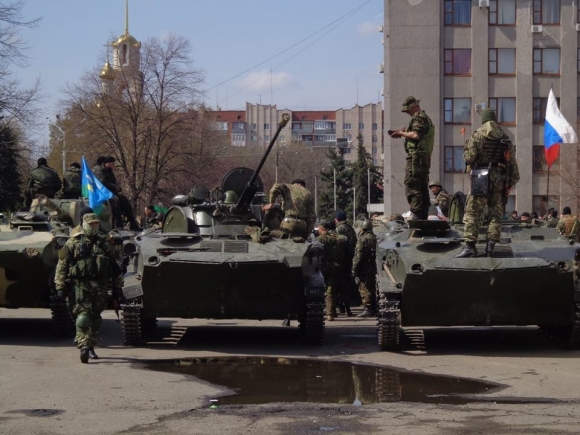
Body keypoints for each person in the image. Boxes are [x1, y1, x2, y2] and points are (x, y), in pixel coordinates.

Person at [54, 213, 124, 363]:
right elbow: (62, 266)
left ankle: (90, 344)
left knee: (95, 318)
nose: (94, 227)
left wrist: (118, 286)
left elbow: (115, 264)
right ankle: (84, 346)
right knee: (83, 316)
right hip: (81, 286)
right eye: (91, 224)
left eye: (96, 224)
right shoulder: (73, 243)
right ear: (84, 225)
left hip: (100, 286)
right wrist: (60, 285)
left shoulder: (103, 243)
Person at [455, 109, 520, 258]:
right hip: (499, 179)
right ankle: (490, 247)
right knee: (495, 214)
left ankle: (470, 247)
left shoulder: (477, 136)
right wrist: (512, 180)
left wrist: (466, 151)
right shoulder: (505, 138)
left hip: (481, 177)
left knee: (473, 212)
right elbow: (511, 163)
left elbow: (470, 158)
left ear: (483, 120)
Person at [389, 96, 434, 220]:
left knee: (412, 184)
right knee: (421, 185)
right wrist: (403, 132)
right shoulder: (425, 118)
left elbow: (415, 135)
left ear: (413, 106)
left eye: (407, 110)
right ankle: (422, 213)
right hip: (423, 157)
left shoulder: (419, 117)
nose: (407, 113)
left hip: (416, 157)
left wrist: (401, 133)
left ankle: (416, 212)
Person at [94, 156, 140, 231]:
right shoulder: (99, 170)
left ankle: (132, 222)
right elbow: (102, 183)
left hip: (109, 191)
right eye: (112, 163)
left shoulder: (108, 171)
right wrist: (114, 187)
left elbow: (112, 181)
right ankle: (118, 223)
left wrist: (117, 187)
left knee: (124, 200)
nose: (113, 165)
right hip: (101, 192)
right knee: (115, 200)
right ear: (107, 163)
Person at [316, 220, 349, 321]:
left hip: (326, 266)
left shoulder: (321, 239)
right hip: (340, 266)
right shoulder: (343, 238)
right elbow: (349, 253)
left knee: (329, 288)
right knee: (340, 288)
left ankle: (330, 312)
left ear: (322, 228)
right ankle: (345, 309)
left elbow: (316, 253)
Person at [352, 220, 378, 317]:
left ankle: (368, 308)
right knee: (372, 287)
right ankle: (374, 307)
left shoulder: (362, 239)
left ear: (363, 229)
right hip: (373, 266)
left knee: (364, 288)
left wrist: (354, 270)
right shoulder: (375, 238)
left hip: (364, 267)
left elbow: (358, 256)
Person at [333, 210, 357, 316]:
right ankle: (347, 308)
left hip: (340, 260)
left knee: (337, 285)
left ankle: (340, 307)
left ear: (336, 219)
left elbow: (337, 244)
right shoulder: (350, 228)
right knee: (346, 285)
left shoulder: (339, 229)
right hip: (349, 259)